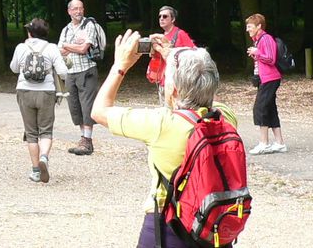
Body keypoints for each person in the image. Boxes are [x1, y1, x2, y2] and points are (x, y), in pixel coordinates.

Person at [91, 30, 237, 248]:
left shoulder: (161, 124)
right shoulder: (225, 118)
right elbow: (209, 93)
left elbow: (99, 111)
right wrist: (175, 56)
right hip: (213, 226)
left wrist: (120, 66)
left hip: (167, 228)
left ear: (174, 90)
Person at [9, 17, 68, 183]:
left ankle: (35, 170)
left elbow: (14, 68)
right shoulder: (52, 48)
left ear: (30, 32)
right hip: (46, 93)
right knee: (46, 131)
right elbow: (63, 72)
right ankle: (44, 158)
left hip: (24, 90)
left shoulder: (21, 47)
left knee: (31, 133)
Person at [58, 0, 101, 154]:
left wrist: (69, 46)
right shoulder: (66, 29)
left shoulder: (89, 25)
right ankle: (84, 139)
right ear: (69, 11)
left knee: (87, 105)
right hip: (71, 72)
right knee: (74, 106)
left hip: (87, 70)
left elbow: (84, 49)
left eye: (81, 8)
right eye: (75, 9)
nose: (78, 11)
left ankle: (87, 140)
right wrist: (75, 45)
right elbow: (59, 50)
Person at [245, 13, 286, 154]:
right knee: (270, 109)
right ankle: (280, 143)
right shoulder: (258, 40)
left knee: (260, 108)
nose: (247, 29)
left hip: (270, 78)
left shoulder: (266, 38)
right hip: (265, 78)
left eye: (250, 26)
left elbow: (271, 59)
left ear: (259, 26)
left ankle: (264, 143)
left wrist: (257, 53)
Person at [146, 6, 195, 104]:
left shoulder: (180, 34)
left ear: (173, 19)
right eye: (160, 16)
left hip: (176, 82)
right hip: (162, 81)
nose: (161, 19)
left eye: (165, 16)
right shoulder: (160, 37)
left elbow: (194, 54)